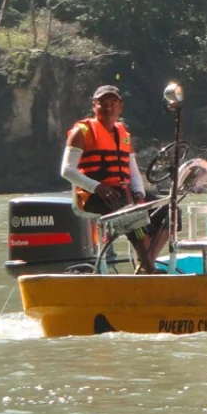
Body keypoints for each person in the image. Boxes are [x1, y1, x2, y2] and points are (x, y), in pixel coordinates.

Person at [60, 84, 170, 273]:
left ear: (120, 106)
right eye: (103, 103)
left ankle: (146, 262)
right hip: (93, 197)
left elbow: (133, 171)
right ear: (94, 105)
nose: (108, 107)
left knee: (168, 209)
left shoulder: (124, 135)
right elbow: (67, 170)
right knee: (131, 213)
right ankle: (149, 269)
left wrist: (139, 194)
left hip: (123, 193)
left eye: (113, 103)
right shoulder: (82, 132)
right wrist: (98, 188)